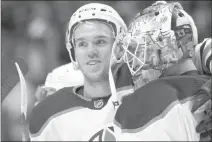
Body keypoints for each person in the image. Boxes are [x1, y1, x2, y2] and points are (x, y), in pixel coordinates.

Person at [28, 3, 130, 141]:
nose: (91, 52)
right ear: (73, 51)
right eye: (82, 44)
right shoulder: (51, 112)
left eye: (100, 41)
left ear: (120, 47)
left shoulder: (143, 86)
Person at [112, 1, 211, 141]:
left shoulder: (148, 98)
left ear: (170, 47)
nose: (135, 61)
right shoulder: (205, 82)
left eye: (142, 51)